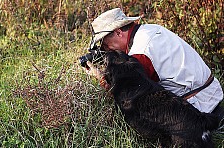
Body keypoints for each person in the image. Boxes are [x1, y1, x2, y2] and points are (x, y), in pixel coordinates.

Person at [84, 8, 224, 120]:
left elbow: (129, 95)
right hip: (213, 94)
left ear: (118, 32)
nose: (107, 49)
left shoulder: (141, 53)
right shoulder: (150, 29)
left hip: (201, 110)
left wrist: (101, 77)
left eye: (105, 44)